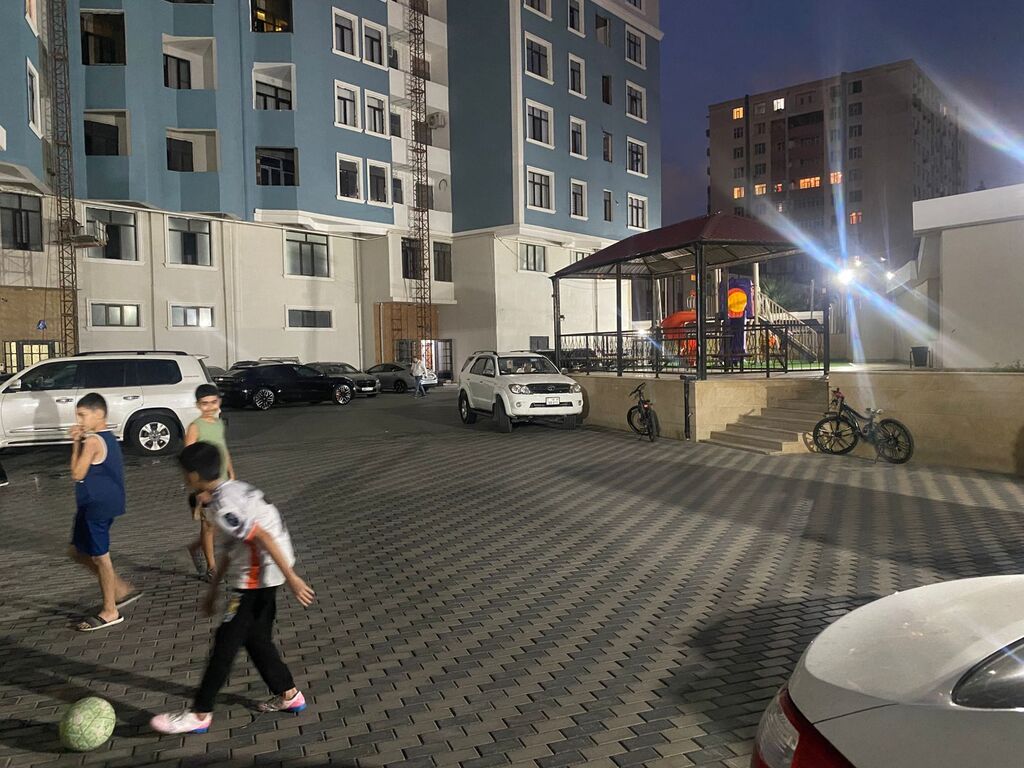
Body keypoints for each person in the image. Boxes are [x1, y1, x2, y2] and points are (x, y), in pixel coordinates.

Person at [150, 442, 315, 735]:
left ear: (194, 475)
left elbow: (262, 536)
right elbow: (232, 548)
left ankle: (200, 713)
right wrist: (213, 589)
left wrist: (293, 578)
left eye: (184, 473)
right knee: (257, 640)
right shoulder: (231, 490)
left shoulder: (223, 504)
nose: (183, 478)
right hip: (265, 574)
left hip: (259, 578)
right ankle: (289, 695)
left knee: (226, 641)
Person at [68, 393, 142, 632]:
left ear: (99, 414)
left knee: (101, 558)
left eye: (82, 415)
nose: (79, 420)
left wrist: (76, 443)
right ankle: (119, 588)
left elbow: (77, 473)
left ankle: (110, 611)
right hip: (95, 504)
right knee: (77, 551)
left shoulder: (92, 441)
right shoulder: (108, 437)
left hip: (97, 506)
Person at [185, 384, 235, 582]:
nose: (209, 407)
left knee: (221, 521)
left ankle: (195, 547)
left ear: (219, 402)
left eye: (213, 402)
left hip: (223, 481)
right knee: (209, 526)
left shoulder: (218, 423)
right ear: (198, 405)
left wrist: (231, 472)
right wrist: (198, 488)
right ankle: (211, 568)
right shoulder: (195, 427)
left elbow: (223, 448)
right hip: (205, 485)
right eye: (204, 404)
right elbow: (188, 458)